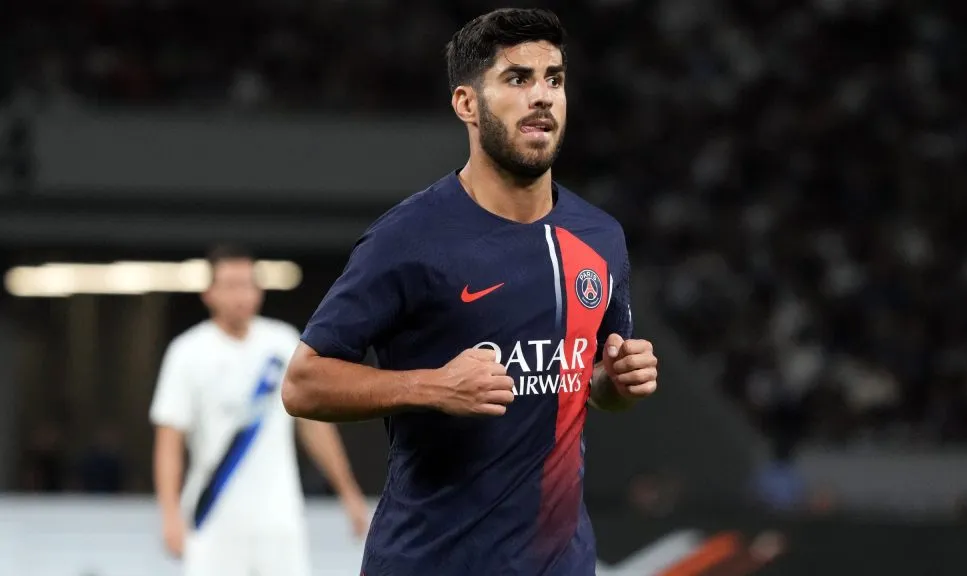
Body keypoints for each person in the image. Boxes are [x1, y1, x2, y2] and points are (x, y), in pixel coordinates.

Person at [283, 8, 658, 575]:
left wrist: (619, 381)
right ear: (466, 104)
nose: (542, 96)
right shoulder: (409, 237)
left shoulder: (599, 237)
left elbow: (595, 385)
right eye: (517, 79)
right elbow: (303, 384)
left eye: (554, 78)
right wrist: (432, 386)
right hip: (430, 561)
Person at [149, 245, 370, 576]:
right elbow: (169, 440)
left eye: (249, 284)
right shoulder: (187, 352)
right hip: (213, 518)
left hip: (279, 520)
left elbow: (314, 426)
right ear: (208, 293)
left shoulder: (283, 343)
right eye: (231, 285)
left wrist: (349, 492)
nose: (242, 295)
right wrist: (169, 514)